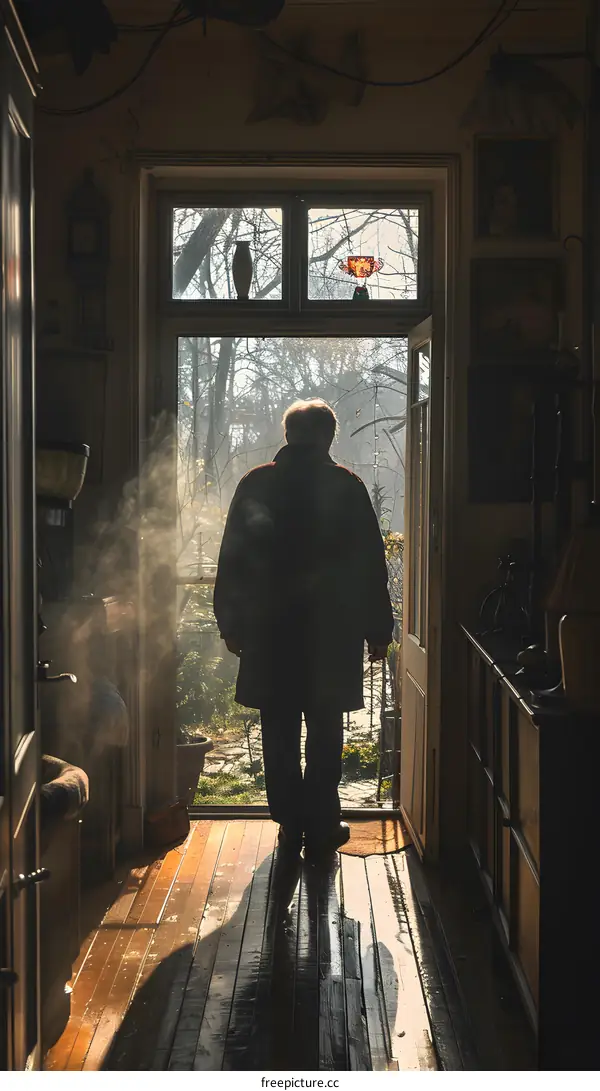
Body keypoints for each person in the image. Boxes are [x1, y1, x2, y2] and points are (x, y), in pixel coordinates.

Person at [213, 399, 393, 859]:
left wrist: (230, 622)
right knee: (326, 728)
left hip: (269, 632)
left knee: (277, 729)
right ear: (329, 436)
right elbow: (370, 563)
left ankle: (290, 824)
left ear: (289, 434)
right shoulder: (345, 486)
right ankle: (322, 821)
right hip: (331, 633)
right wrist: (379, 628)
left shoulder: (257, 483)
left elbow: (232, 558)